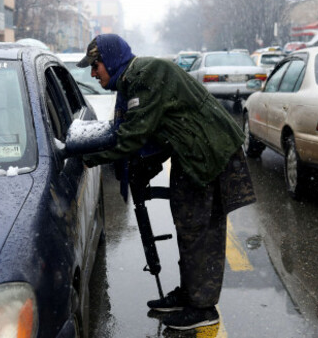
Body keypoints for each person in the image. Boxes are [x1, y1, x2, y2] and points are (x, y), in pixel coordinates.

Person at [77, 34, 256, 331]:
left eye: (95, 65)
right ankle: (189, 295)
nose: (93, 73)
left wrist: (89, 158)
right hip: (191, 153)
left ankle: (203, 308)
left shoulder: (145, 75)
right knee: (188, 226)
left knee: (201, 230)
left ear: (109, 60)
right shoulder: (133, 79)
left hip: (209, 154)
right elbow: (156, 129)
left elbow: (134, 135)